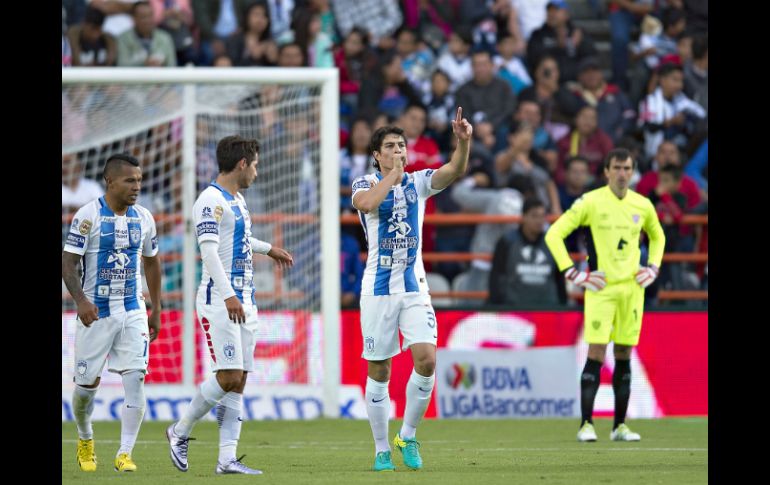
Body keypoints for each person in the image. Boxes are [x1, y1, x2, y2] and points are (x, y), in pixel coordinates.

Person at [351, 107, 472, 471]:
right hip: (377, 289)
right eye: (390, 146)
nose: (398, 151)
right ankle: (381, 449)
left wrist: (462, 143)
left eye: (401, 145)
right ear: (377, 155)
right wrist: (393, 176)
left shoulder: (419, 183)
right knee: (381, 371)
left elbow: (455, 170)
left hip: (414, 287)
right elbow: (366, 204)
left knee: (427, 359)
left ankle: (408, 434)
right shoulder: (365, 183)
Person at [166, 135, 294, 475]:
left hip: (245, 301)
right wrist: (228, 295)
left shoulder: (236, 199)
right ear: (241, 164)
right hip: (220, 301)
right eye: (254, 165)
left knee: (240, 381)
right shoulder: (209, 200)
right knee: (228, 376)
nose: (256, 172)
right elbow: (208, 251)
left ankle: (226, 459)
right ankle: (179, 431)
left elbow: (237, 238)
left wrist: (269, 249)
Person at [544, 148, 665, 442]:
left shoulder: (643, 204)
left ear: (633, 171)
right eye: (617, 168)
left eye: (627, 168)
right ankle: (586, 424)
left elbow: (659, 235)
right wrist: (572, 273)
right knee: (596, 352)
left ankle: (620, 426)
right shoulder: (591, 202)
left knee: (623, 353)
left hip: (632, 290)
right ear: (607, 172)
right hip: (601, 289)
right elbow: (554, 234)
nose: (623, 173)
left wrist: (653, 267)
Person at [61, 153, 162, 472]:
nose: (137, 186)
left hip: (133, 310)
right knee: (85, 389)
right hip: (96, 313)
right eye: (130, 180)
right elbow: (68, 262)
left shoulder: (145, 217)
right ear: (110, 181)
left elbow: (151, 261)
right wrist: (80, 301)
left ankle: (124, 453)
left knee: (136, 379)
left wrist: (156, 307)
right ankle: (85, 437)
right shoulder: (87, 216)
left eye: (140, 180)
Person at [488, 198, 566, 306]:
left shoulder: (554, 243)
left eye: (542, 216)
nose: (539, 221)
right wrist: (499, 306)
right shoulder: (507, 242)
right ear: (523, 217)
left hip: (547, 310)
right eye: (534, 216)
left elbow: (559, 280)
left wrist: (562, 306)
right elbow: (497, 276)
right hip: (514, 310)